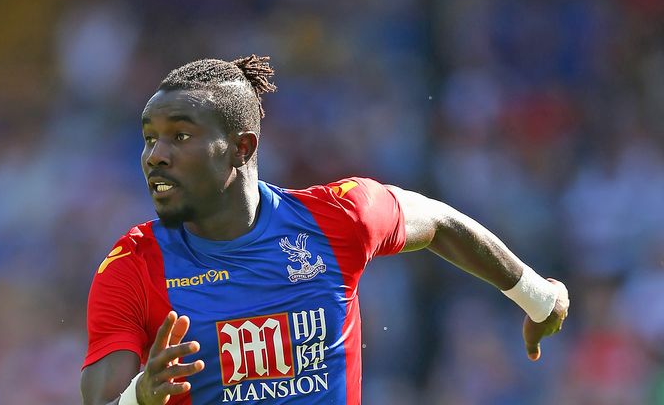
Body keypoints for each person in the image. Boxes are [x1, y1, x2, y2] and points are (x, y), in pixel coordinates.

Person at [79, 55, 569, 405]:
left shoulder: (336, 218)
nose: (155, 155)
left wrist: (537, 298)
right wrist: (139, 397)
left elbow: (438, 221)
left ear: (241, 148)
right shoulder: (134, 268)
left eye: (179, 136)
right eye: (149, 138)